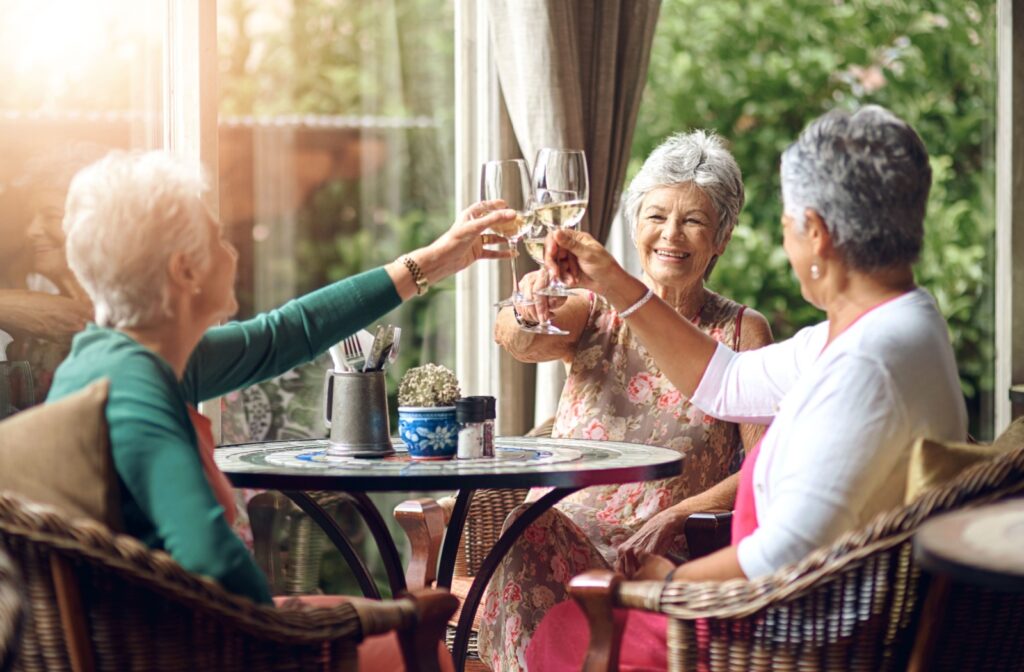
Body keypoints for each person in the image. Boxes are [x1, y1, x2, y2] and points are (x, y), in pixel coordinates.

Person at [525, 105, 968, 670]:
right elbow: (724, 381)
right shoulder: (895, 323)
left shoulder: (868, 367)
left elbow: (780, 558)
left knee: (568, 629)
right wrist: (613, 281)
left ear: (817, 234)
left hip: (772, 640)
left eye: (787, 221)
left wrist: (668, 584)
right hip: (802, 616)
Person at [47, 150, 515, 669]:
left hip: (161, 632)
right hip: (206, 646)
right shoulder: (135, 393)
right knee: (422, 646)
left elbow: (287, 333)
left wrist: (429, 262)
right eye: (219, 239)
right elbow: (215, 564)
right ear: (185, 270)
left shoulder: (108, 361)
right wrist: (294, 630)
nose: (233, 251)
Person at [478, 131, 773, 671]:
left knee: (524, 532)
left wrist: (678, 517)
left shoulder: (740, 331)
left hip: (656, 559)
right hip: (558, 536)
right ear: (635, 224)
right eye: (656, 215)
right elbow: (518, 339)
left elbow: (764, 468)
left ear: (722, 238)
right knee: (526, 524)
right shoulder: (594, 310)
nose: (671, 235)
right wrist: (527, 304)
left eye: (694, 221)